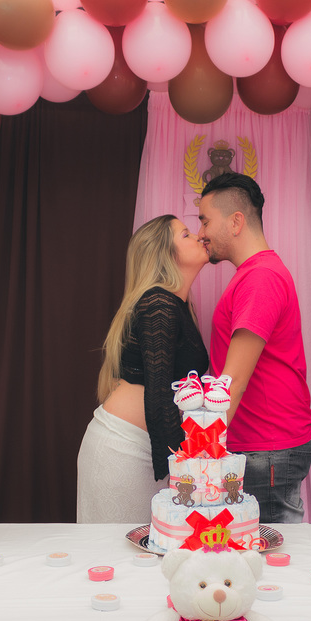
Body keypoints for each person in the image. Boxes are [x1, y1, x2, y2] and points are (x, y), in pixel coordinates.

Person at [196, 173, 311, 524]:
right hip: (267, 447)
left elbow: (232, 382)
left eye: (205, 220)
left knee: (272, 561)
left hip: (266, 448)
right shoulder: (257, 273)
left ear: (236, 221)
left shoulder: (260, 277)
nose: (202, 232)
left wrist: (202, 452)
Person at [75, 214, 209, 523]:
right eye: (186, 234)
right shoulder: (159, 304)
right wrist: (182, 467)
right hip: (123, 450)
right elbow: (159, 392)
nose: (199, 237)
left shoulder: (177, 306)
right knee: (121, 558)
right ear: (166, 254)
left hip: (147, 448)